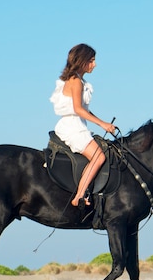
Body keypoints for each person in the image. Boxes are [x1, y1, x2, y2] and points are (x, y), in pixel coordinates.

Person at [49, 44, 117, 207]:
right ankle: (79, 196)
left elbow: (84, 110)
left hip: (77, 124)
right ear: (82, 61)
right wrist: (102, 123)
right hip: (73, 127)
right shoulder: (76, 81)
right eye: (92, 61)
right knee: (98, 157)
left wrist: (102, 124)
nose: (94, 64)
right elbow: (78, 109)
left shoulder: (77, 80)